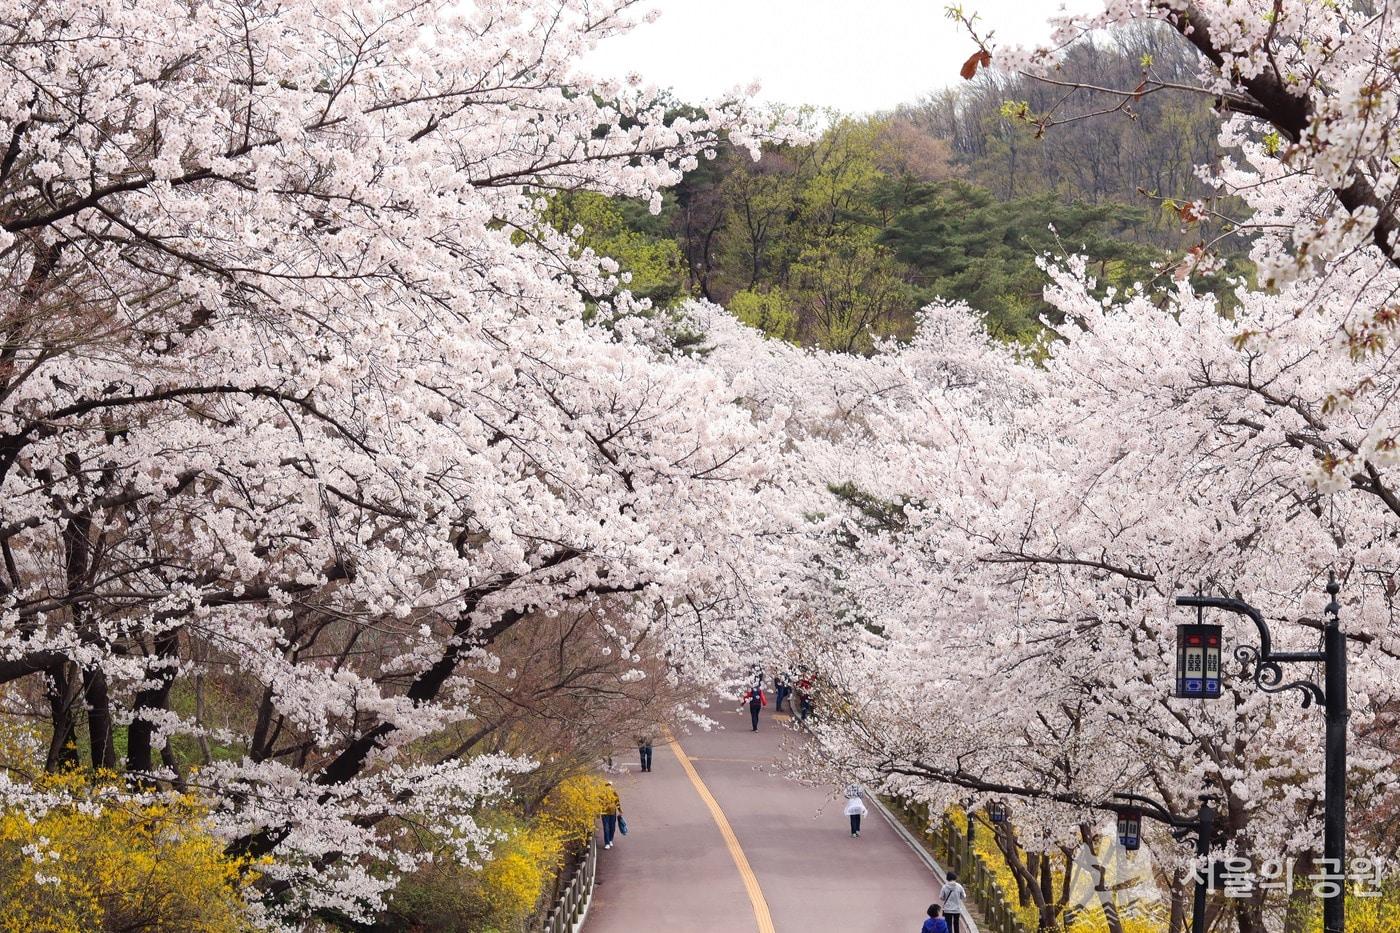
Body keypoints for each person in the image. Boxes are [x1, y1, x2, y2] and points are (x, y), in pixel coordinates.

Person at [600, 781, 623, 849]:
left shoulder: (614, 792)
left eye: (610, 785)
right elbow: (599, 803)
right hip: (605, 813)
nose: (609, 787)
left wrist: (619, 810)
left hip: (612, 812)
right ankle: (607, 843)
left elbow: (617, 801)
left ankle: (610, 840)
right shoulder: (602, 794)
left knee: (612, 827)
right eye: (607, 785)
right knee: (606, 828)